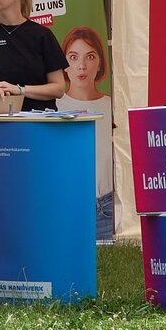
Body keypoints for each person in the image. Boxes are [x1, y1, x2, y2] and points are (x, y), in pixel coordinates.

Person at [56, 27, 114, 240]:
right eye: (73, 57)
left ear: (100, 63)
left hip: (107, 205)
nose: (81, 66)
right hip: (66, 203)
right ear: (64, 65)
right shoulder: (54, 106)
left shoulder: (112, 105)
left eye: (90, 56)